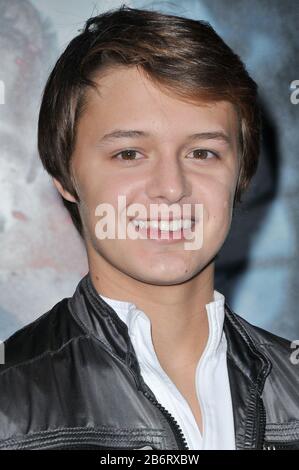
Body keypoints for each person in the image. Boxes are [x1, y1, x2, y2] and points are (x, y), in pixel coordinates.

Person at [0, 5, 298, 450]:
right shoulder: (10, 402)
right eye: (129, 154)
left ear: (242, 175)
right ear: (65, 176)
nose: (171, 188)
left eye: (202, 153)